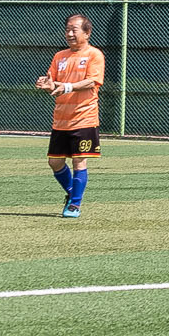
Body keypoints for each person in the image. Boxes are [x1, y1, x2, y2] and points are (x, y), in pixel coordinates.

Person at [37, 12, 105, 218]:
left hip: (85, 117)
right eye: (67, 30)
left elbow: (92, 81)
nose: (69, 34)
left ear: (87, 32)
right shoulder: (60, 56)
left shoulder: (94, 55)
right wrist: (47, 85)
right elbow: (54, 85)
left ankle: (75, 204)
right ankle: (72, 193)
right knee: (55, 162)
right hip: (61, 119)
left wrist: (66, 87)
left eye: (74, 30)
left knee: (79, 160)